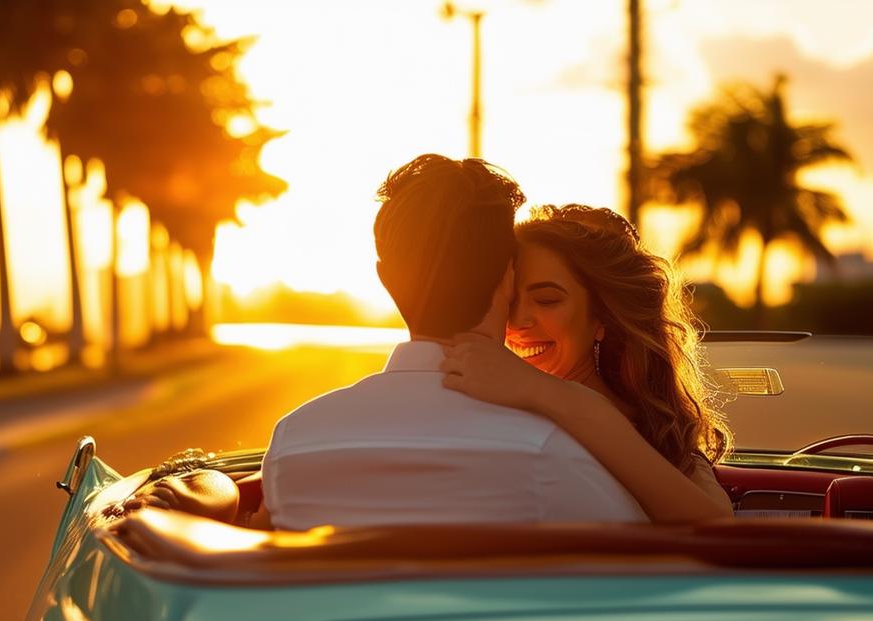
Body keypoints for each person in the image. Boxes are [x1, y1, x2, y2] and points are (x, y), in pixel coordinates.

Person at [258, 154, 660, 530]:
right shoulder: (556, 453)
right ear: (507, 277)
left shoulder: (292, 442)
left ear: (385, 279)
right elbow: (660, 553)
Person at [439, 204, 734, 518]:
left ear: (601, 318)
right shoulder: (479, 407)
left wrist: (555, 395)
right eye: (509, 301)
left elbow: (717, 527)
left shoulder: (656, 435)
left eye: (547, 300)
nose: (518, 320)